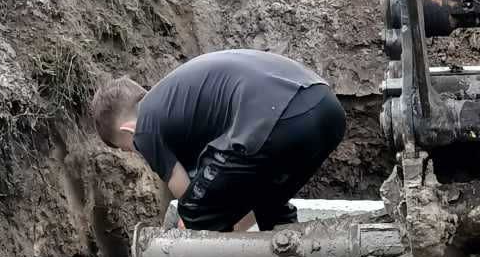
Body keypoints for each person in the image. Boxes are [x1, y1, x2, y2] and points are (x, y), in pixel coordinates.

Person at [89, 49, 347, 232]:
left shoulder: (144, 126)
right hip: (324, 108)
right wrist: (232, 224)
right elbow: (233, 203)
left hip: (276, 118)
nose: (139, 153)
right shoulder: (178, 101)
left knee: (194, 211)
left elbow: (187, 193)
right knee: (268, 202)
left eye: (130, 149)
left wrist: (191, 222)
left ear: (128, 131)